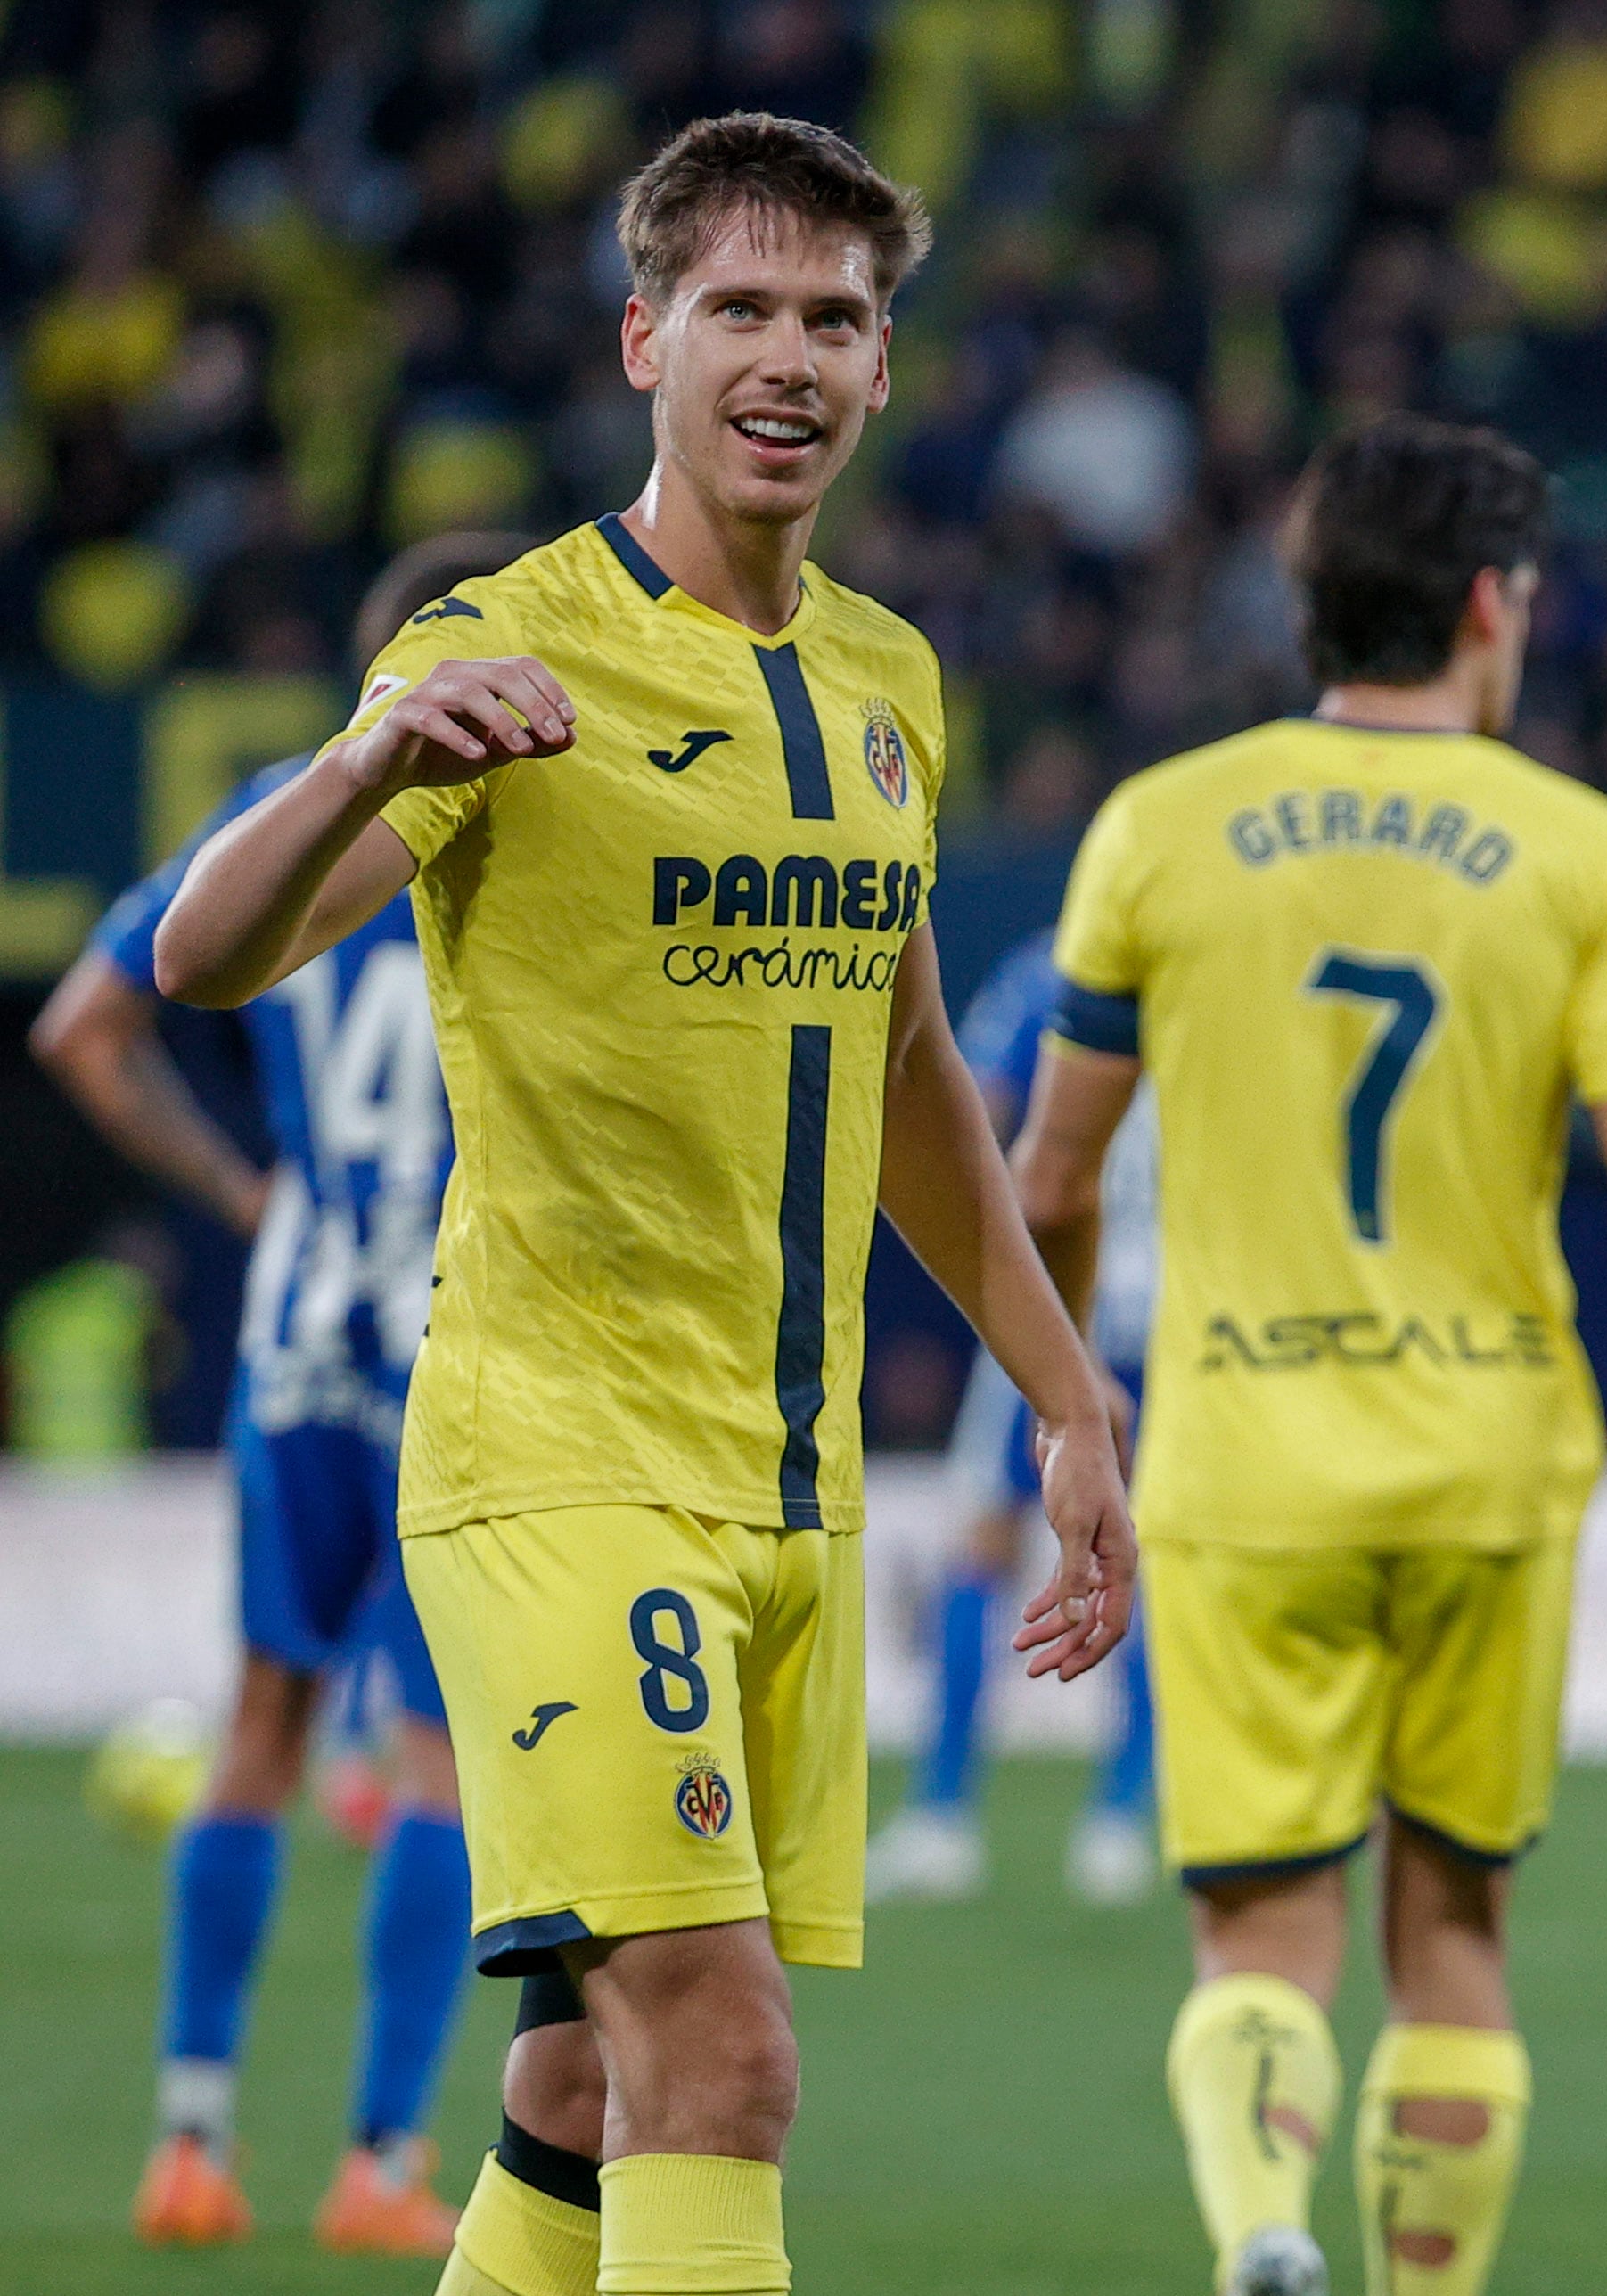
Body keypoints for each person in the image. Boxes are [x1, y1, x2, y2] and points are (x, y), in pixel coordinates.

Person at [149, 114, 1137, 2296]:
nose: (788, 356)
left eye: (836, 318)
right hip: (560, 1462)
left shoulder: (888, 683)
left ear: (883, 370)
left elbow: (905, 1077)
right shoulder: (502, 649)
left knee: (587, 2083)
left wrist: (1067, 1402)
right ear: (644, 341)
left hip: (790, 1480)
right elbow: (195, 964)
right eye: (741, 311)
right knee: (725, 2054)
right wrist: (364, 757)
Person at [1013, 411, 1607, 2296]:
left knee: (1257, 1931)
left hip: (1242, 1458)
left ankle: (1265, 2227)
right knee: (1450, 1923)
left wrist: (1067, 1404)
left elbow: (1048, 1165)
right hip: (1485, 1460)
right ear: (1488, 602)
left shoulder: (1160, 822)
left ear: (1310, 607)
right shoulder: (1581, 848)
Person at [37, 532, 528, 2256]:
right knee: (439, 1757)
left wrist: (253, 1196)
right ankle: (380, 2167)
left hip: (299, 1337)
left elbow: (88, 1022)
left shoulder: (282, 815)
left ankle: (187, 2146)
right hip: (464, 1338)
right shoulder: (526, 815)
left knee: (258, 1724)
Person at [868, 925, 1161, 1906]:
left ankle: (942, 1814)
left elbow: (971, 1102)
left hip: (1065, 1303)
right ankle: (1123, 1821)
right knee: (1147, 1558)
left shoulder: (1049, 974)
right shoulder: (1227, 969)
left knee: (982, 1543)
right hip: (1187, 1315)